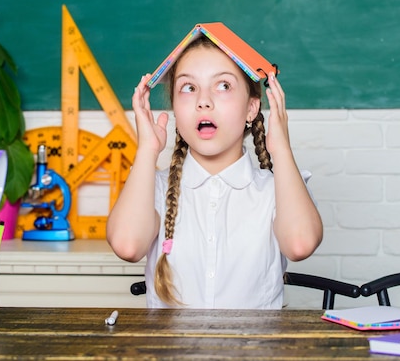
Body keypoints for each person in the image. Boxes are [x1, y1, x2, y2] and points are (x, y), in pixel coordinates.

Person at [106, 31, 323, 309]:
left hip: (254, 352)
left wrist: (281, 149)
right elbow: (127, 246)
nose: (203, 101)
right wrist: (147, 150)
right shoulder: (153, 188)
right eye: (188, 87)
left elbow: (300, 244)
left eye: (223, 86)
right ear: (174, 108)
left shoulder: (277, 189)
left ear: (251, 108)